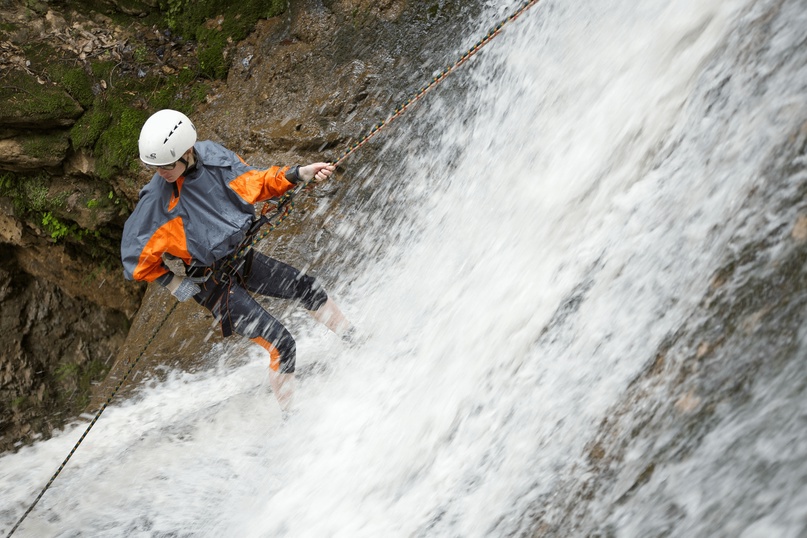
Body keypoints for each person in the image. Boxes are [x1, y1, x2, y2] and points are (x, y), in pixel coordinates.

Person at [121, 109, 353, 414]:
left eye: (166, 165)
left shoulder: (213, 158)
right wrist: (172, 281)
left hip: (241, 256)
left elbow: (255, 182)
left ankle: (355, 340)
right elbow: (134, 257)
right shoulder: (156, 202)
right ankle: (292, 419)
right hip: (212, 285)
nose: (160, 172)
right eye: (155, 166)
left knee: (306, 287)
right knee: (283, 345)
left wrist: (297, 174)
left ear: (187, 152)